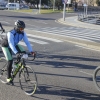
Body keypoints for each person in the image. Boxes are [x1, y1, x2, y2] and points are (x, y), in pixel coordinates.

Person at [1, 20, 36, 84]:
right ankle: (8, 78)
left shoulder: (23, 33)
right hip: (6, 46)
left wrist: (31, 51)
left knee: (23, 52)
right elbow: (11, 44)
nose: (22, 30)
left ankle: (16, 65)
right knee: (10, 60)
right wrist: (16, 53)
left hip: (14, 45)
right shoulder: (10, 33)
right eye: (21, 28)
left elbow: (27, 42)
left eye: (23, 28)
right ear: (17, 27)